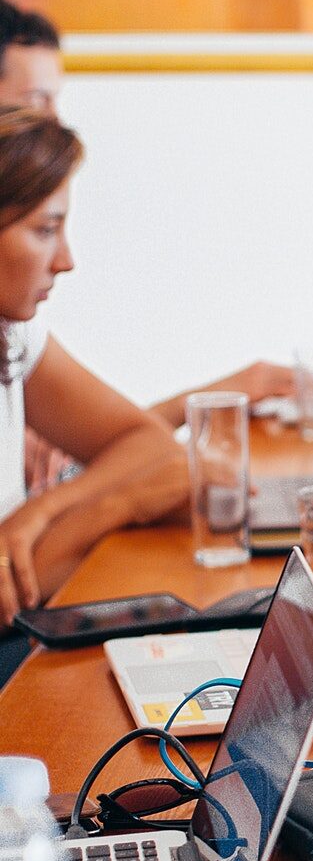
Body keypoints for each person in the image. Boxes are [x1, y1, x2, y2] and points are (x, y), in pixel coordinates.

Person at [0, 0, 294, 489]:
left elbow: (125, 442)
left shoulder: (15, 331)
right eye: (35, 103)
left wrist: (219, 397)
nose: (53, 123)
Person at [0, 107, 189, 634]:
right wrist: (119, 503)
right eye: (45, 230)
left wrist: (38, 512)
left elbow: (147, 443)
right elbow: (7, 597)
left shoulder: (13, 333)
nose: (65, 260)